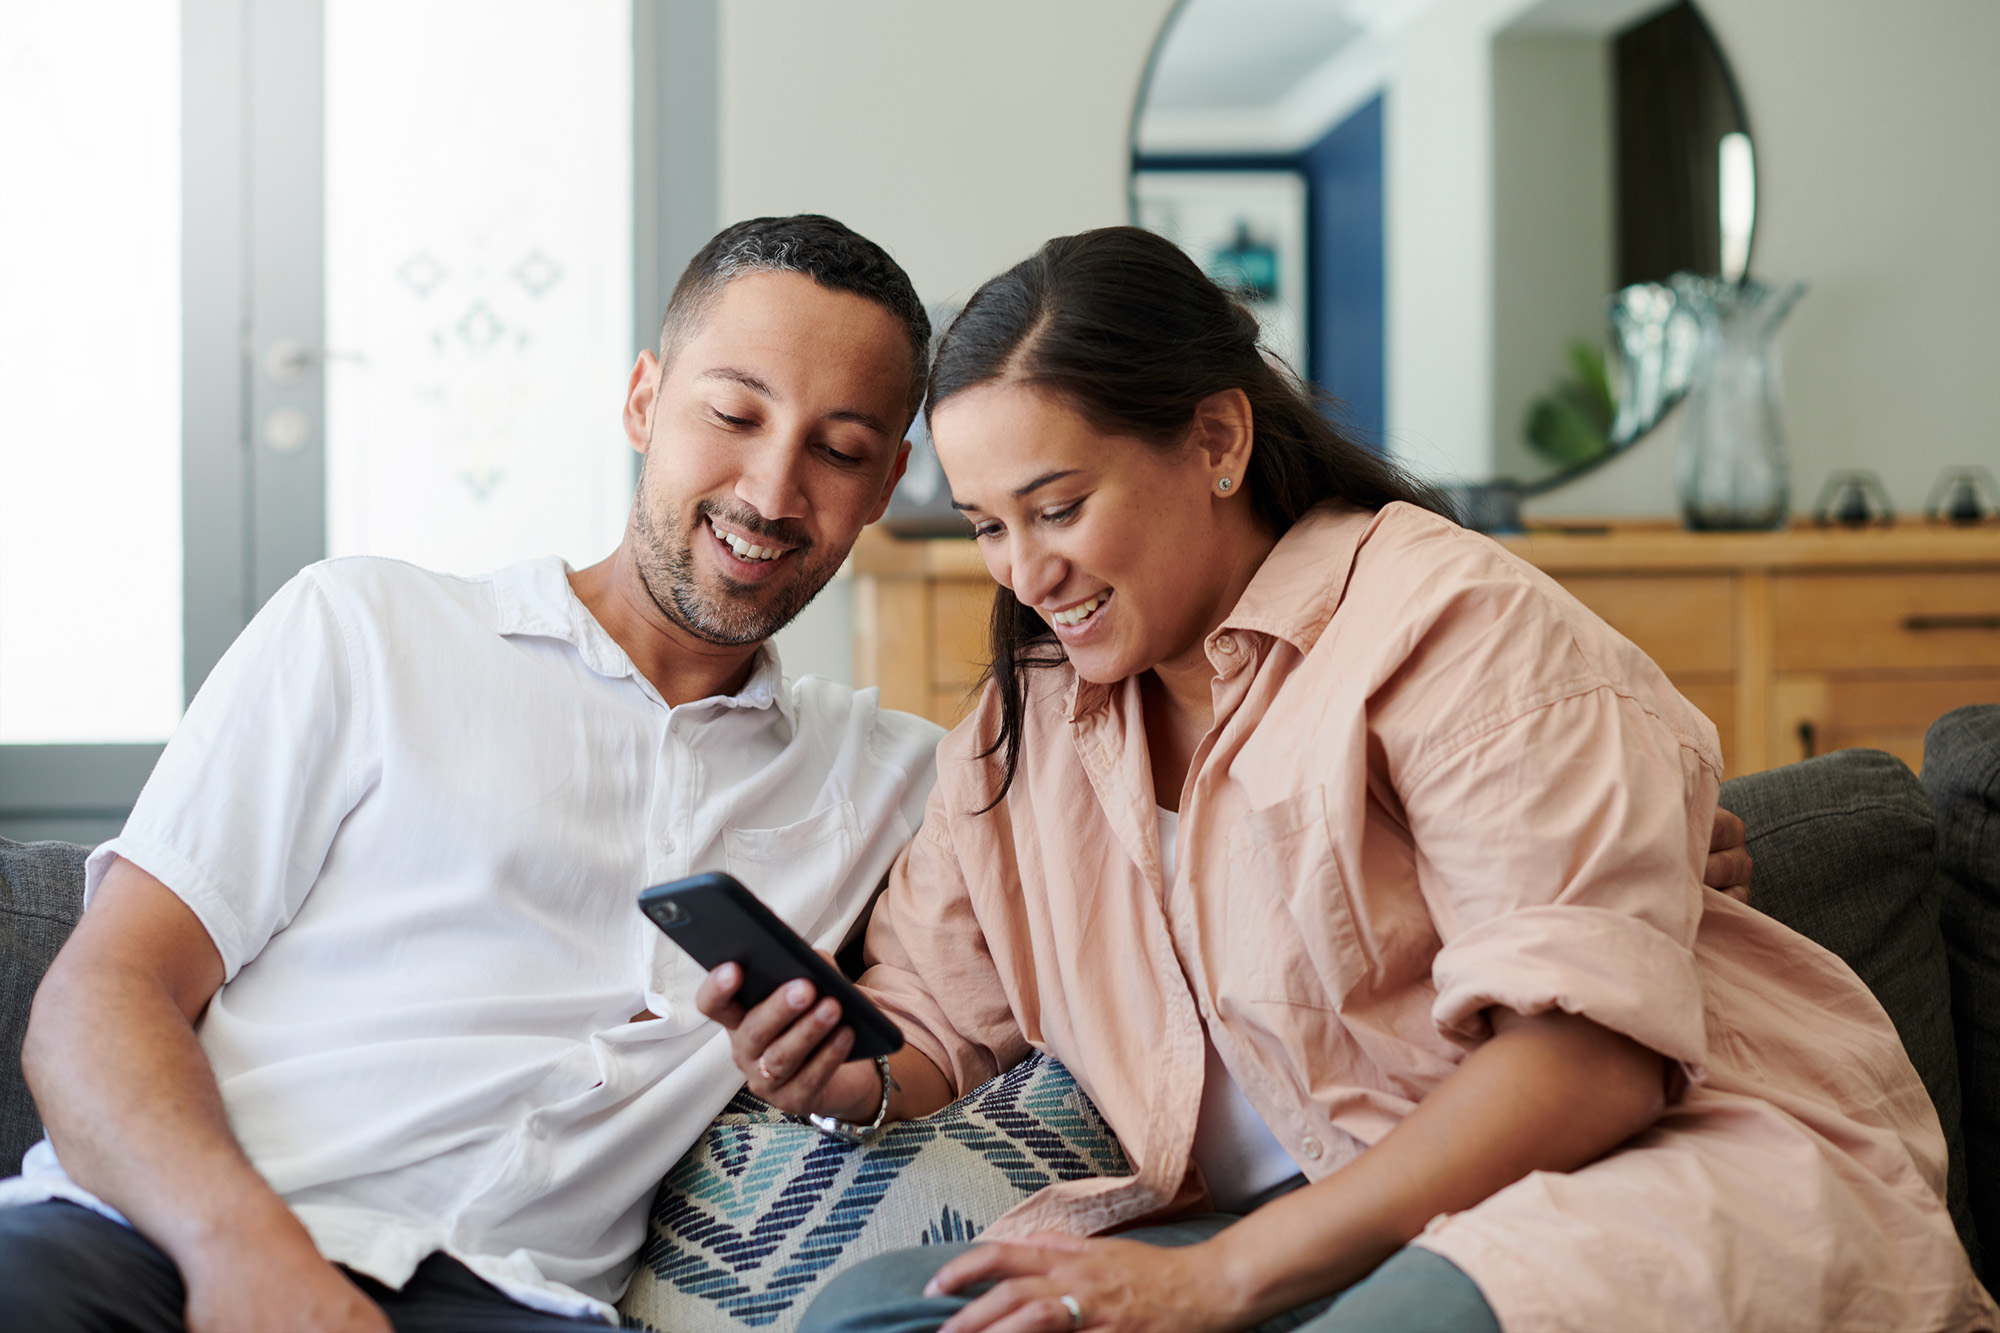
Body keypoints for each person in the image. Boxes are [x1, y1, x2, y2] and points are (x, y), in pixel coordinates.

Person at [701, 227, 1994, 1333]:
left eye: (1057, 505)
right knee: (872, 1309)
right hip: (1303, 1223)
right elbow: (935, 1029)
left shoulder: (1451, 620)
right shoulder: (1019, 729)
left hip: (1614, 1185)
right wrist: (838, 1069)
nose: (1022, 571)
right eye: (986, 524)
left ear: (1215, 439)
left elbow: (1588, 1067)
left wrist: (1221, 1280)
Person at [0, 216, 949, 1332]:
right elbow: (100, 993)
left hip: (512, 1301)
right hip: (150, 1240)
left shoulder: (892, 777)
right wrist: (241, 1254)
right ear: (643, 400)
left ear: (888, 482)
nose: (773, 491)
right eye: (732, 414)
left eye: (838, 451)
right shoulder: (363, 627)